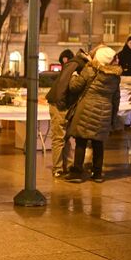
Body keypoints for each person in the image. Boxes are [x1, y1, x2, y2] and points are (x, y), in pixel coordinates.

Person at [65, 46, 121, 183]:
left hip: (86, 110)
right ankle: (97, 174)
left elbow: (75, 87)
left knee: (81, 141)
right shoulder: (115, 77)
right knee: (98, 143)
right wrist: (113, 118)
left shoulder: (90, 70)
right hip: (104, 113)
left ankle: (77, 173)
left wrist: (73, 76)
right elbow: (116, 99)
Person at [45, 49, 89, 178]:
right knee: (59, 137)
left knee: (65, 137)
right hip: (60, 105)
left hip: (64, 104)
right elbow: (63, 84)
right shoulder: (76, 64)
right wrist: (62, 104)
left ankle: (67, 166)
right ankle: (58, 168)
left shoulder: (78, 64)